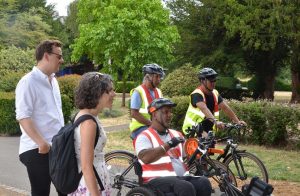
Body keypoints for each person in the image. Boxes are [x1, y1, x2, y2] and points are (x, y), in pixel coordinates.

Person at [15, 40, 65, 196]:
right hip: (37, 149)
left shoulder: (54, 80)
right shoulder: (28, 82)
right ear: (46, 56)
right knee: (41, 192)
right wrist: (41, 143)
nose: (62, 60)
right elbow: (23, 116)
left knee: (67, 190)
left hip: (57, 147)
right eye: (59, 56)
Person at [135, 98, 212, 196]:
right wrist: (169, 144)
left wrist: (200, 147)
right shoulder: (144, 136)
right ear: (154, 114)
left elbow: (188, 155)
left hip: (179, 178)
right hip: (155, 180)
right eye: (166, 112)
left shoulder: (176, 134)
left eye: (170, 112)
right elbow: (145, 158)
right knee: (185, 187)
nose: (170, 115)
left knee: (203, 183)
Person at [70, 72, 115, 196]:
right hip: (90, 185)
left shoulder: (87, 115)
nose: (113, 94)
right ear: (97, 92)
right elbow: (86, 166)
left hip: (94, 181)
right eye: (109, 90)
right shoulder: (89, 123)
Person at [182, 67, 246, 135]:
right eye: (211, 81)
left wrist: (237, 122)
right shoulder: (197, 94)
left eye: (214, 80)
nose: (213, 83)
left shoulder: (215, 93)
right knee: (206, 141)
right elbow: (204, 108)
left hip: (208, 130)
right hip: (193, 129)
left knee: (214, 143)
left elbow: (225, 108)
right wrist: (216, 122)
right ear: (202, 81)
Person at [129, 63, 165, 139]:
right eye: (157, 76)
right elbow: (134, 114)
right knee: (153, 140)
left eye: (160, 77)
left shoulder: (159, 92)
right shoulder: (138, 91)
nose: (159, 79)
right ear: (148, 77)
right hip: (139, 127)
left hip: (153, 126)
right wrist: (152, 124)